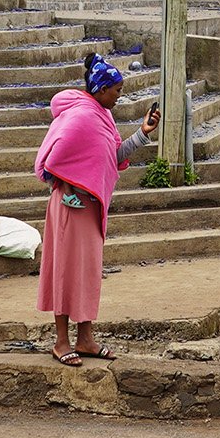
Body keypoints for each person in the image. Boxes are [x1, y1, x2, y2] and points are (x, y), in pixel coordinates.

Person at [33, 54, 158, 366]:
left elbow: (111, 157)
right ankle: (61, 342)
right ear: (102, 89)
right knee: (64, 270)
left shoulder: (101, 115)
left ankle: (85, 338)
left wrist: (143, 133)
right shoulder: (81, 117)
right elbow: (53, 160)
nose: (119, 96)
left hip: (89, 208)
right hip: (69, 207)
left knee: (87, 273)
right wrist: (73, 184)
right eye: (116, 91)